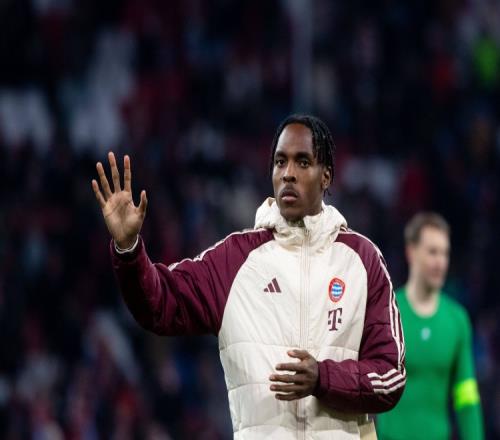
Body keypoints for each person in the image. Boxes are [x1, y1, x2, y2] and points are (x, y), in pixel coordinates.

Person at [92, 114, 405, 439]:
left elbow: (391, 376)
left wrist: (322, 378)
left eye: (302, 162)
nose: (288, 173)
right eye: (280, 162)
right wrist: (128, 249)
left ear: (326, 176)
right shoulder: (234, 260)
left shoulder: (362, 260)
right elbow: (158, 304)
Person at [376, 212, 484, 440]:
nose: (441, 262)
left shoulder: (457, 320)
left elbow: (466, 395)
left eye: (445, 253)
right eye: (433, 252)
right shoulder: (386, 313)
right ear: (411, 252)